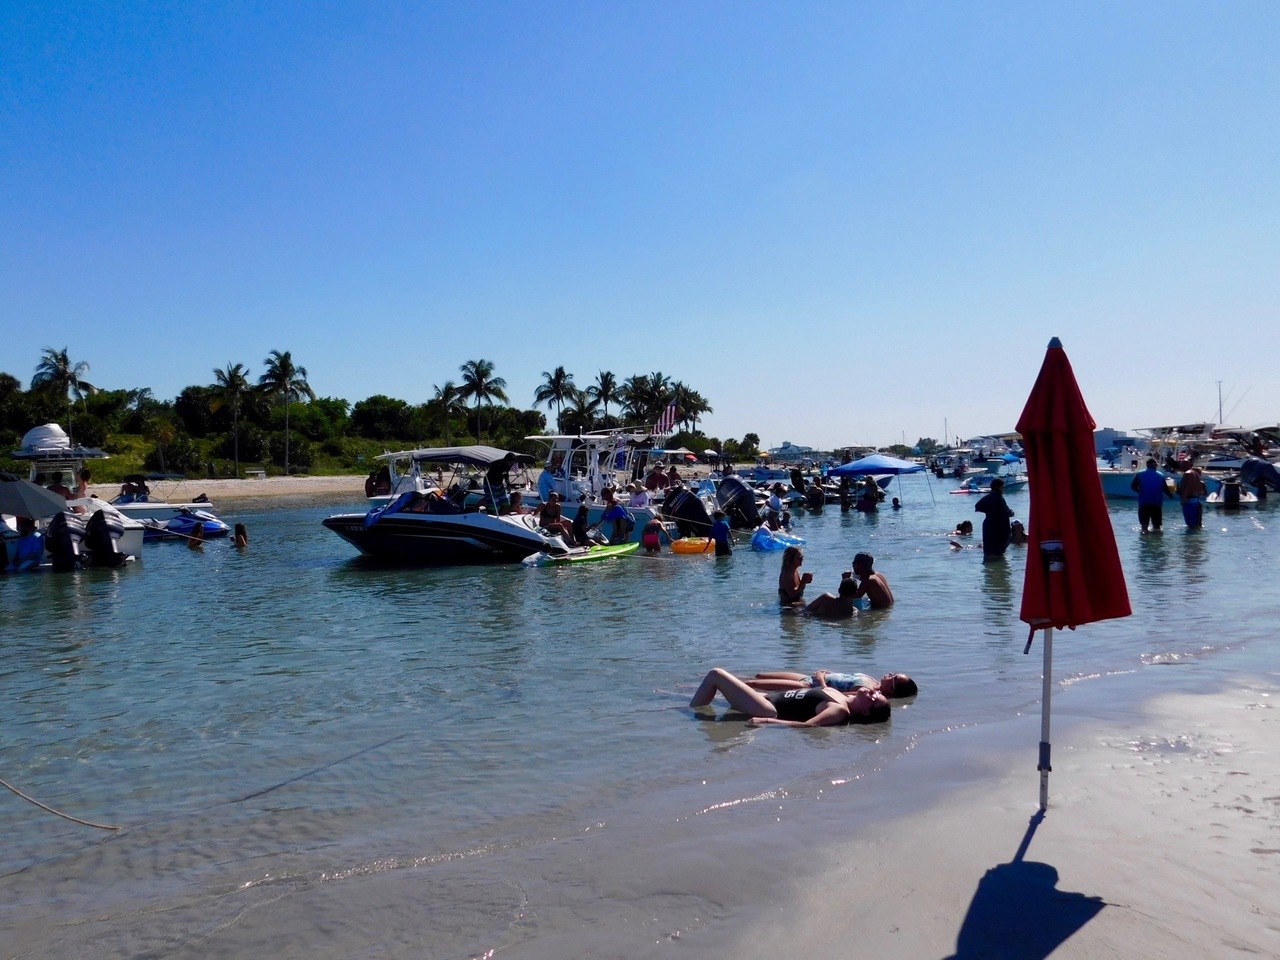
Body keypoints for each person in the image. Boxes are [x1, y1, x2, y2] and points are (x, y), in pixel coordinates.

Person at [690, 667, 891, 726]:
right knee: (716, 686)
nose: (874, 691)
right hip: (768, 698)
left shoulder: (839, 710)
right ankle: (689, 711)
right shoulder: (842, 697)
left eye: (874, 698)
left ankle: (689, 717)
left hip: (768, 709)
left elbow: (809, 725)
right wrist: (822, 679)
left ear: (865, 711)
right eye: (876, 693)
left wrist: (766, 720)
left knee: (716, 675)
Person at [748, 670, 918, 698]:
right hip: (810, 677)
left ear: (893, 690)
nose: (890, 674)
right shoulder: (873, 681)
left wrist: (822, 678)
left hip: (809, 687)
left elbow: (832, 694)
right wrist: (828, 672)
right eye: (894, 673)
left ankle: (723, 686)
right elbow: (846, 677)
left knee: (753, 684)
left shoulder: (865, 691)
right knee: (760, 676)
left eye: (893, 678)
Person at [974, 477, 1013, 561]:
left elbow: (977, 506)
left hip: (989, 525)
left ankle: (990, 569)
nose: (1003, 488)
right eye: (1002, 486)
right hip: (1000, 526)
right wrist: (1011, 513)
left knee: (989, 551)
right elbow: (1006, 512)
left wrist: (989, 511)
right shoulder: (999, 498)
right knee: (999, 551)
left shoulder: (988, 497)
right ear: (997, 487)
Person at [1130, 458, 1173, 532]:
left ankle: (1145, 539)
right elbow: (1165, 489)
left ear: (1147, 465)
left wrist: (1140, 492)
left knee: (1144, 526)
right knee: (1157, 527)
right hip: (1156, 503)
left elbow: (1133, 487)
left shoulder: (1140, 474)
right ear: (1155, 465)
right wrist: (1170, 496)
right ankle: (1157, 541)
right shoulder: (1161, 475)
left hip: (1144, 502)